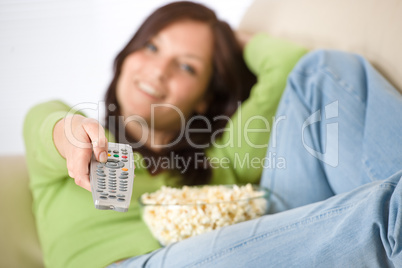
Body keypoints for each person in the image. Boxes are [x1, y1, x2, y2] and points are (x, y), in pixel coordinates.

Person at [23, 1, 402, 268]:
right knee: (381, 215)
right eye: (151, 47)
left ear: (205, 100)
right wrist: (72, 134)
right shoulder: (68, 131)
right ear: (127, 54)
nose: (158, 71)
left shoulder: (217, 166)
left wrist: (227, 36)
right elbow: (48, 127)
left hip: (253, 245)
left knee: (322, 72)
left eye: (186, 67)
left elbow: (289, 65)